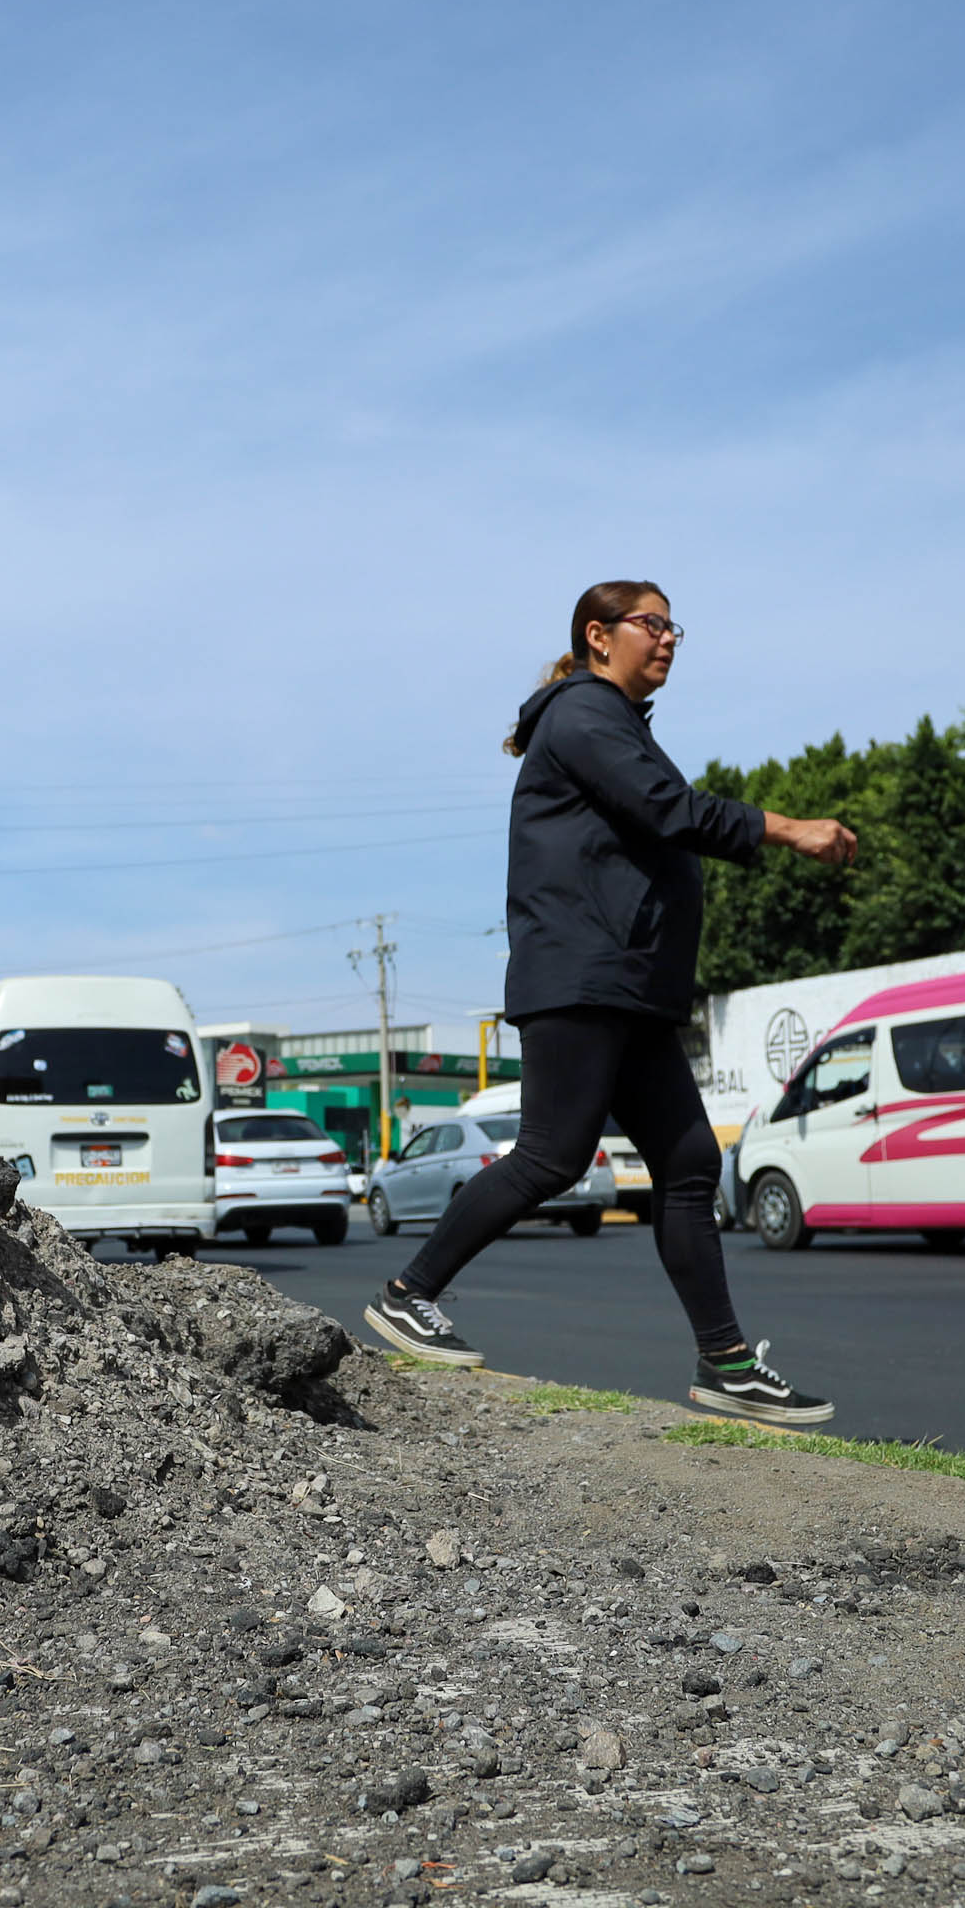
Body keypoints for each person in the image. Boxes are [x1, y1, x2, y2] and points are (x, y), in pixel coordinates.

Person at [359, 581, 859, 1424]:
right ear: (599, 636)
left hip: (626, 986)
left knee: (692, 1164)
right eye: (651, 623)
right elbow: (672, 812)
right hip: (582, 977)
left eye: (675, 627)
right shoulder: (583, 714)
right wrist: (789, 826)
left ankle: (726, 1362)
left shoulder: (615, 723)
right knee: (553, 1155)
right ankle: (409, 1294)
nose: (668, 639)